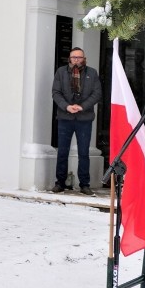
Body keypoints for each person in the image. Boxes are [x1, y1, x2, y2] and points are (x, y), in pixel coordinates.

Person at [51, 47, 102, 195]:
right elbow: (56, 92)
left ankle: (84, 184)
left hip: (84, 118)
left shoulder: (92, 73)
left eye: (79, 57)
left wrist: (82, 106)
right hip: (65, 117)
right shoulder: (61, 72)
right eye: (74, 57)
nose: (76, 60)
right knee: (62, 152)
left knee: (84, 152)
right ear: (69, 58)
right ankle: (60, 183)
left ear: (84, 59)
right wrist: (67, 106)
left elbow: (97, 93)